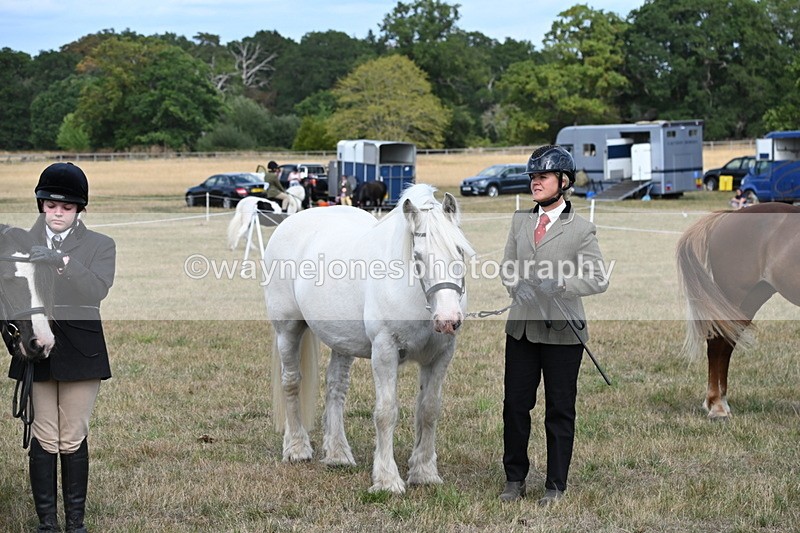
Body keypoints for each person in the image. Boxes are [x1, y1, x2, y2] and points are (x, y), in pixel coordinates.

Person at [9, 162, 116, 532]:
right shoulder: (19, 241)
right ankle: (47, 524)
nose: (58, 213)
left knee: (70, 436)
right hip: (34, 350)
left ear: (79, 210)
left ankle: (75, 523)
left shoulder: (100, 245)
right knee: (44, 435)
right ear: (41, 205)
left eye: (67, 207)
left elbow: (97, 290)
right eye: (51, 206)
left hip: (81, 352)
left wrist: (63, 262)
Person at [499, 145, 608, 505]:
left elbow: (597, 278)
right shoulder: (519, 221)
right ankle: (515, 479)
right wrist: (518, 285)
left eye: (542, 177)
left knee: (559, 410)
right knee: (515, 406)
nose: (535, 183)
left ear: (563, 182)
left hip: (563, 334)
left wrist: (561, 284)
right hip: (522, 329)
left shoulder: (582, 229)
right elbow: (507, 266)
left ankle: (555, 485)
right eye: (532, 177)